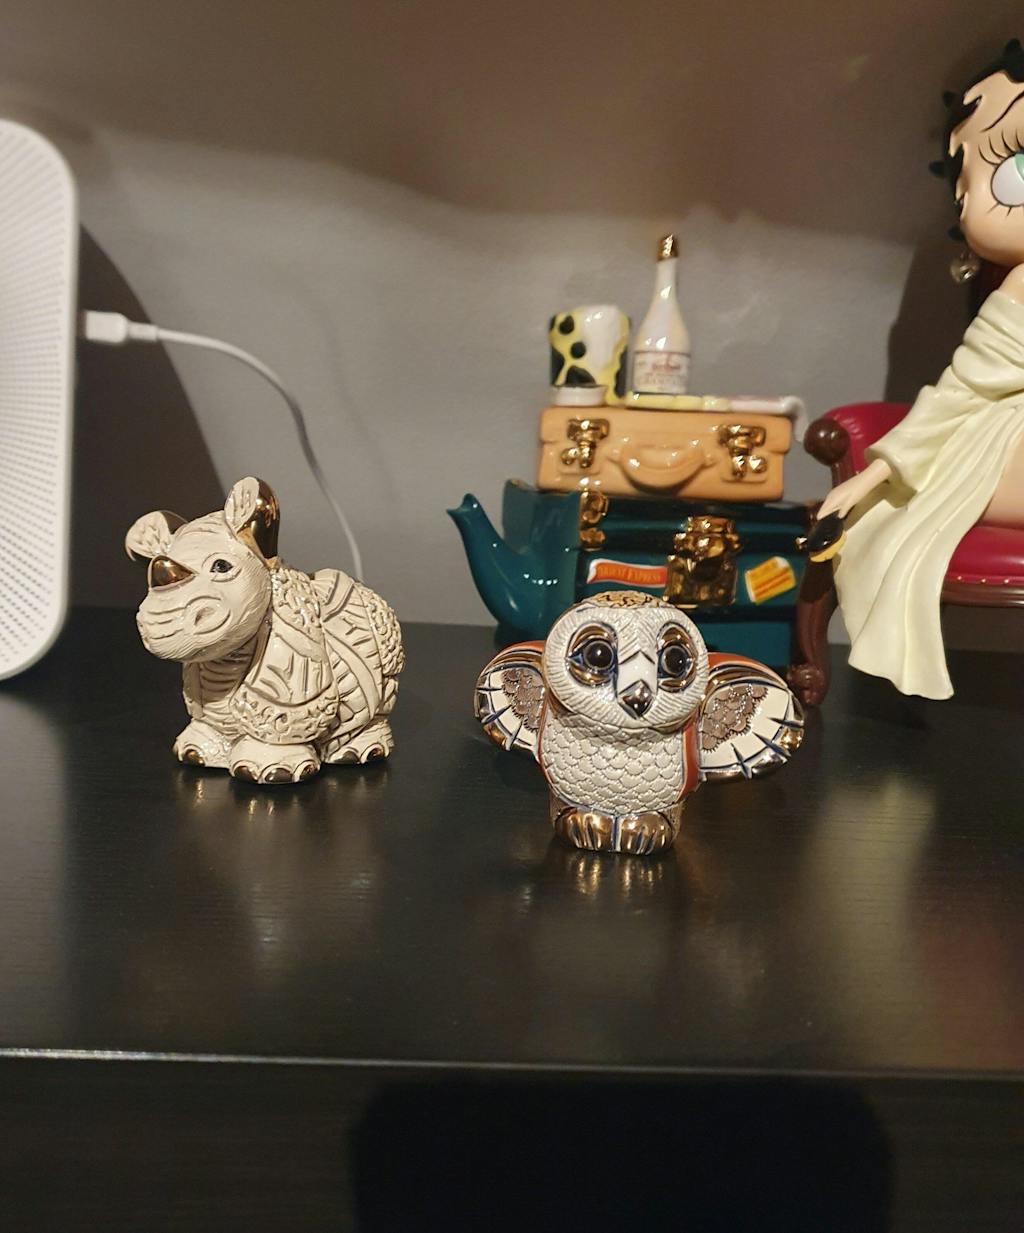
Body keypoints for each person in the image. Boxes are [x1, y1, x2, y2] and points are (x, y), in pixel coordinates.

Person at [817, 40, 1024, 698]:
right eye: (968, 185)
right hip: (1001, 444)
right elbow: (959, 391)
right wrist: (873, 474)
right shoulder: (1019, 289)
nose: (975, 202)